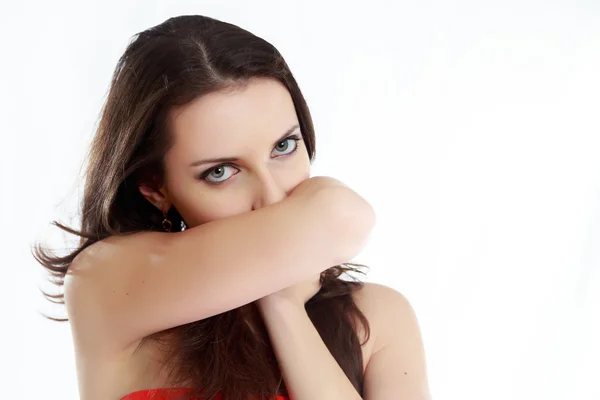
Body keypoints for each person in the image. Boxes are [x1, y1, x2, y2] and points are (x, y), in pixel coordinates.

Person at [33, 14, 430, 400]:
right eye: (221, 171)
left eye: (284, 147)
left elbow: (341, 217)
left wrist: (283, 305)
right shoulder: (108, 282)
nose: (273, 199)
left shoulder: (379, 317)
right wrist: (284, 275)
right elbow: (340, 214)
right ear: (155, 188)